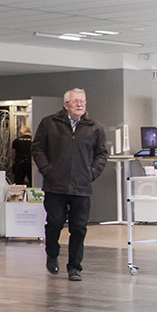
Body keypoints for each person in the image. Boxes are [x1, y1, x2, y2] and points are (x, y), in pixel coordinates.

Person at [32, 89, 108, 281]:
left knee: (79, 228)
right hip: (55, 185)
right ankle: (52, 254)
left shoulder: (94, 127)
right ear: (66, 105)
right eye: (75, 101)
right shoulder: (49, 123)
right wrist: (46, 169)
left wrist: (92, 173)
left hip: (81, 187)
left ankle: (74, 267)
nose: (79, 104)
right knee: (55, 223)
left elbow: (101, 153)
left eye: (82, 101)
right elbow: (37, 148)